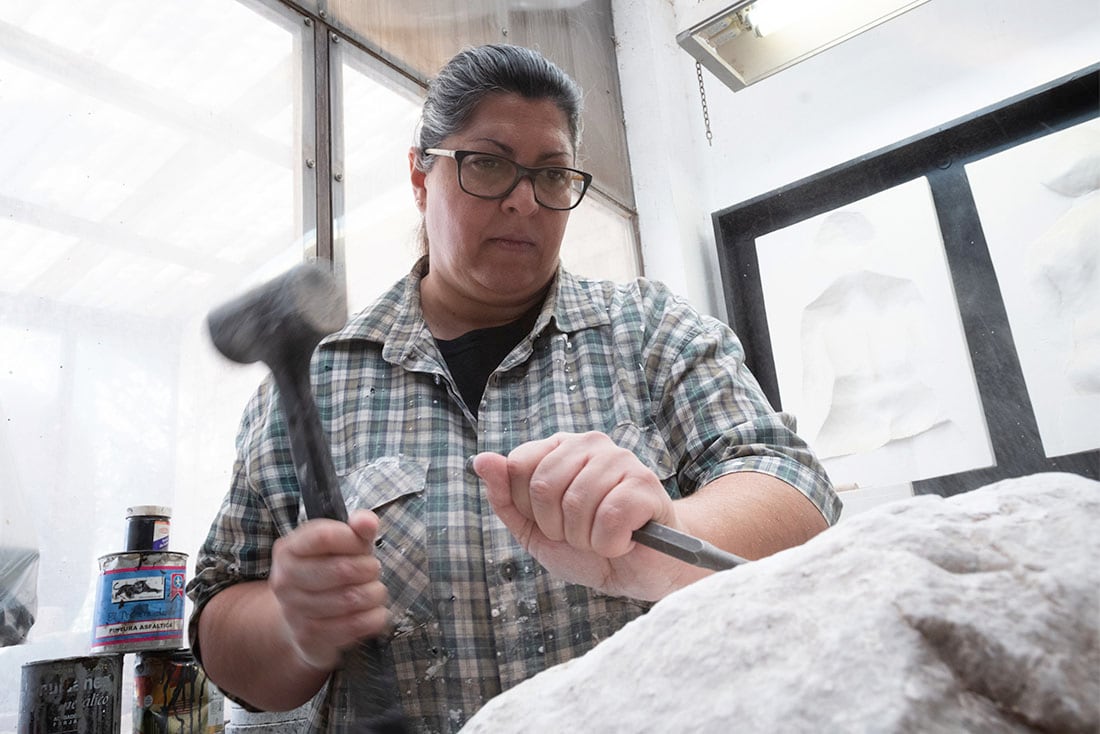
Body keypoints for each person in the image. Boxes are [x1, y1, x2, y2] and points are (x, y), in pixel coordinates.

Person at [187, 43, 841, 733]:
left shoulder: (650, 331)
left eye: (552, 175)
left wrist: (672, 532)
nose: (525, 200)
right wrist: (295, 624)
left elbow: (793, 488)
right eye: (489, 164)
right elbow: (221, 617)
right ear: (420, 176)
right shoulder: (316, 382)